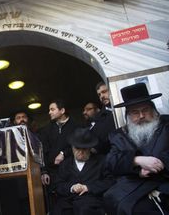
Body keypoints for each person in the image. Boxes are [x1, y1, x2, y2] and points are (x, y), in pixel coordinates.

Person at [104, 82, 169, 215]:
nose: (141, 116)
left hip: (165, 181)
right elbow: (111, 162)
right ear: (128, 116)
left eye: (145, 110)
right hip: (134, 185)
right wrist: (136, 161)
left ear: (153, 110)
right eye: (135, 112)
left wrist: (160, 162)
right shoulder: (118, 136)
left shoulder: (167, 125)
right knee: (115, 201)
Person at [52, 128, 114, 215]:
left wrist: (88, 187)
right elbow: (58, 185)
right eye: (77, 148)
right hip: (67, 201)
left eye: (84, 149)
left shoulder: (102, 161)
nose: (81, 152)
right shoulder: (65, 164)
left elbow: (110, 181)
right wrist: (72, 187)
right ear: (72, 147)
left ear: (90, 148)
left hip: (92, 201)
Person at [91, 82, 116, 154]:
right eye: (99, 94)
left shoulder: (126, 109)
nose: (102, 96)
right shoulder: (97, 118)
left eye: (104, 92)